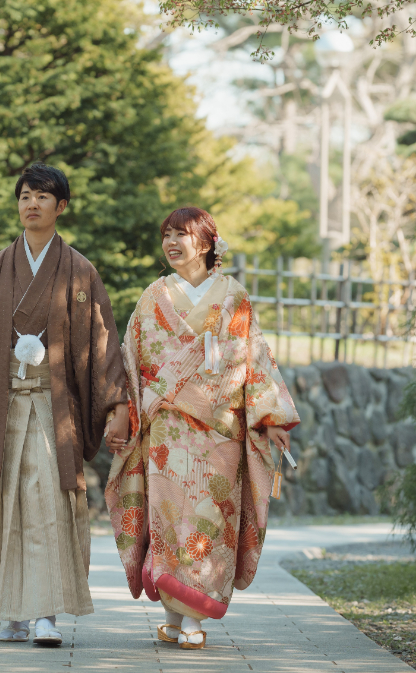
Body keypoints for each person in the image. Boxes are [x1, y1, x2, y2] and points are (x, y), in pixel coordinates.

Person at [0, 163, 130, 645]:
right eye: (24, 196)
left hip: (52, 410)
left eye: (42, 196)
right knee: (5, 504)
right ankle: (11, 610)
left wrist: (116, 404)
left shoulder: (79, 270)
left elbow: (102, 342)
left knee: (46, 504)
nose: (31, 204)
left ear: (61, 206)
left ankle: (44, 613)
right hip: (1, 408)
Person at [104, 207, 300, 650]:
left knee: (210, 522)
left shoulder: (234, 298)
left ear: (207, 243)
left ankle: (192, 617)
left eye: (182, 235)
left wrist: (272, 419)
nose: (172, 243)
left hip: (219, 433)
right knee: (167, 522)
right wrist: (123, 413)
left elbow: (256, 362)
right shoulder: (153, 297)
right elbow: (129, 362)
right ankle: (175, 615)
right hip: (167, 433)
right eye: (167, 235)